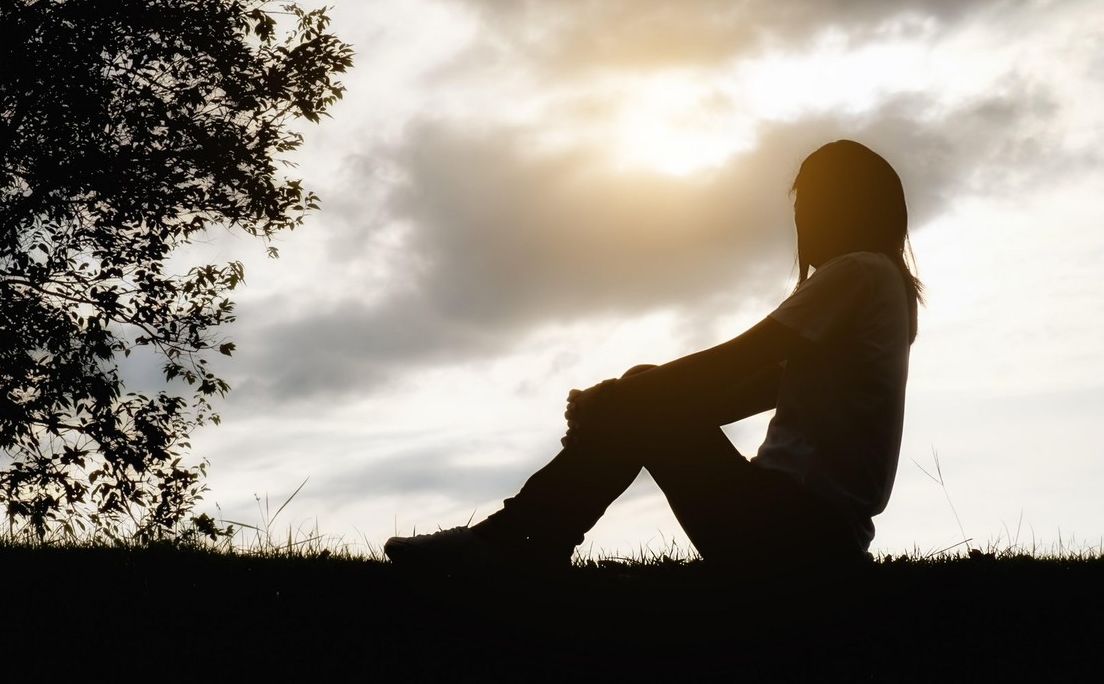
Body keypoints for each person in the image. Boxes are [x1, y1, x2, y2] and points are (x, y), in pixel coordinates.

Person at [384, 139, 923, 574]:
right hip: (815, 541)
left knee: (643, 388)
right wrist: (624, 411)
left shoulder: (856, 273)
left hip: (795, 529)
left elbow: (740, 358)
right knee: (645, 389)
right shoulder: (882, 288)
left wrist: (619, 398)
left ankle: (512, 543)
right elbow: (740, 394)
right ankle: (524, 541)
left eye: (811, 200)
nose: (803, 216)